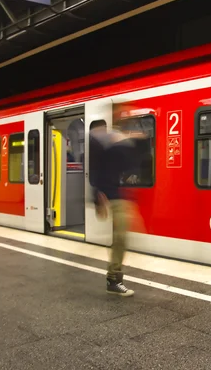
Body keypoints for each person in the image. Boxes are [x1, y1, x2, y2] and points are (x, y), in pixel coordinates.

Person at [89, 120, 142, 296]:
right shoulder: (102, 144)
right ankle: (113, 280)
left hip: (118, 195)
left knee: (121, 237)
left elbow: (124, 166)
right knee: (121, 237)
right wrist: (97, 196)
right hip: (113, 196)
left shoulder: (109, 144)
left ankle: (114, 278)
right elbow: (99, 172)